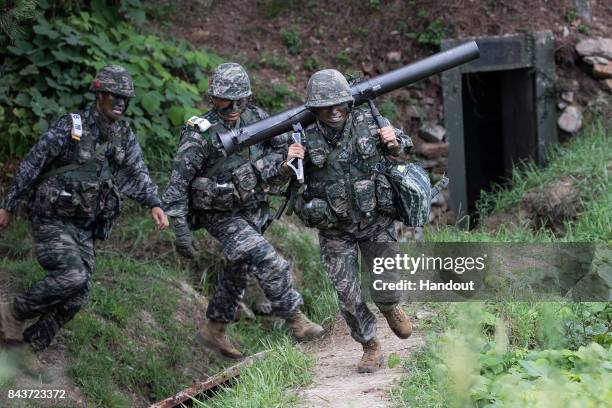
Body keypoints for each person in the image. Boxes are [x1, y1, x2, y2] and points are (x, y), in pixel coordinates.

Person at [0, 64, 168, 374]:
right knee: (73, 276)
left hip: (84, 228)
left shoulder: (123, 134)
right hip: (51, 220)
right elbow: (32, 163)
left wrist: (154, 203)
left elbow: (137, 172)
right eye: (114, 96)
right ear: (99, 95)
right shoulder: (71, 127)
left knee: (79, 295)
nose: (120, 103)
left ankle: (28, 346)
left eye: (125, 99)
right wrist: (8, 204)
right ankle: (13, 312)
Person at [162, 63, 323, 360]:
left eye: (241, 99)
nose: (234, 107)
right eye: (227, 100)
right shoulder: (200, 134)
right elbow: (177, 183)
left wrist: (293, 153)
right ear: (213, 98)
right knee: (267, 260)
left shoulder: (256, 118)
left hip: (251, 210)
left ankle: (214, 329)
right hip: (220, 214)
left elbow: (285, 145)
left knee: (240, 268)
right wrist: (181, 229)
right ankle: (296, 320)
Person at [286, 69, 414, 373]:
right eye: (326, 107)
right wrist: (289, 164)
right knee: (348, 295)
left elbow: (402, 147)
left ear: (348, 102)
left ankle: (389, 305)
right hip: (335, 230)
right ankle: (369, 345)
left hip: (375, 220)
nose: (334, 112)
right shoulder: (302, 137)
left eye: (340, 104)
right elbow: (288, 188)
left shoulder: (368, 120)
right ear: (314, 108)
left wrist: (394, 143)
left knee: (385, 284)